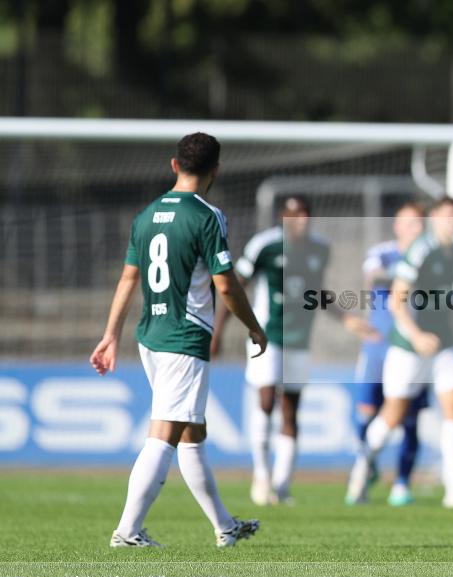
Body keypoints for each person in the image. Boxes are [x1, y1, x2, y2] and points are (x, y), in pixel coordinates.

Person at [91, 132, 266, 548]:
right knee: (165, 434)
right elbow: (226, 286)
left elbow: (129, 277)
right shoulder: (207, 216)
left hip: (150, 336)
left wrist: (110, 334)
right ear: (216, 171)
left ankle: (225, 526)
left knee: (192, 433)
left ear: (175, 165)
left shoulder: (147, 214)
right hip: (183, 338)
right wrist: (253, 326)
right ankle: (127, 532)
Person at [211, 196, 375, 506]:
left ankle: (282, 484)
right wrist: (218, 332)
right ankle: (261, 477)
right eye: (293, 215)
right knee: (266, 400)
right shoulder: (265, 245)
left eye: (304, 215)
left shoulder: (319, 248)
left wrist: (347, 318)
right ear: (282, 217)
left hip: (300, 339)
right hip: (266, 336)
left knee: (291, 409)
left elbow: (316, 292)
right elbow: (234, 286)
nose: (299, 220)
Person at [346, 198, 453, 509]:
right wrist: (417, 335)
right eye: (447, 216)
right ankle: (362, 468)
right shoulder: (420, 250)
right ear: (434, 219)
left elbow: (447, 301)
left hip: (444, 346)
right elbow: (397, 301)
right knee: (393, 416)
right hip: (409, 347)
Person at [352, 203, 429, 506]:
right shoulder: (383, 252)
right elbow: (374, 277)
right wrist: (406, 275)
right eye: (410, 223)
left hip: (410, 348)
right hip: (377, 347)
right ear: (397, 225)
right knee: (367, 415)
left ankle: (401, 484)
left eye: (420, 223)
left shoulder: (429, 256)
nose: (416, 229)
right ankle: (365, 467)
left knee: (409, 418)